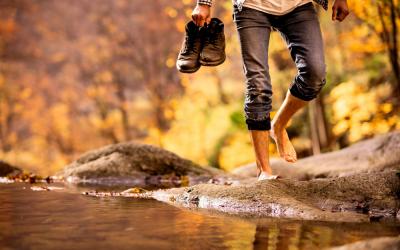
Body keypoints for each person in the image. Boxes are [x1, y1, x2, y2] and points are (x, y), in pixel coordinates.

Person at [191, 0, 349, 180]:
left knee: (315, 74)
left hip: (297, 5)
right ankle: (264, 171)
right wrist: (204, 3)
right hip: (251, 6)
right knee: (257, 85)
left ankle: (279, 126)